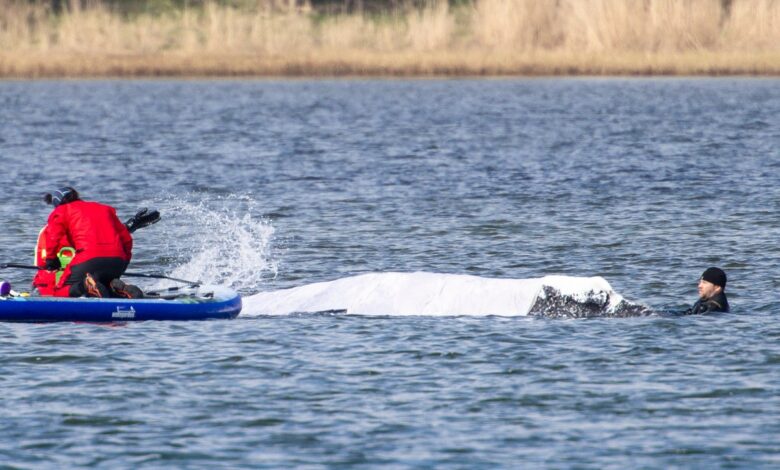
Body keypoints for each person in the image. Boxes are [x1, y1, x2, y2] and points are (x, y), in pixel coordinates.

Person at [39, 187, 143, 299]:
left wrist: (51, 260)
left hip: (89, 258)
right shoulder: (104, 209)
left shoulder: (62, 210)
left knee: (59, 293)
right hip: (117, 261)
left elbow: (53, 237)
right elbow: (127, 240)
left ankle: (86, 286)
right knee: (102, 287)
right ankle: (120, 290)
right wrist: (123, 264)